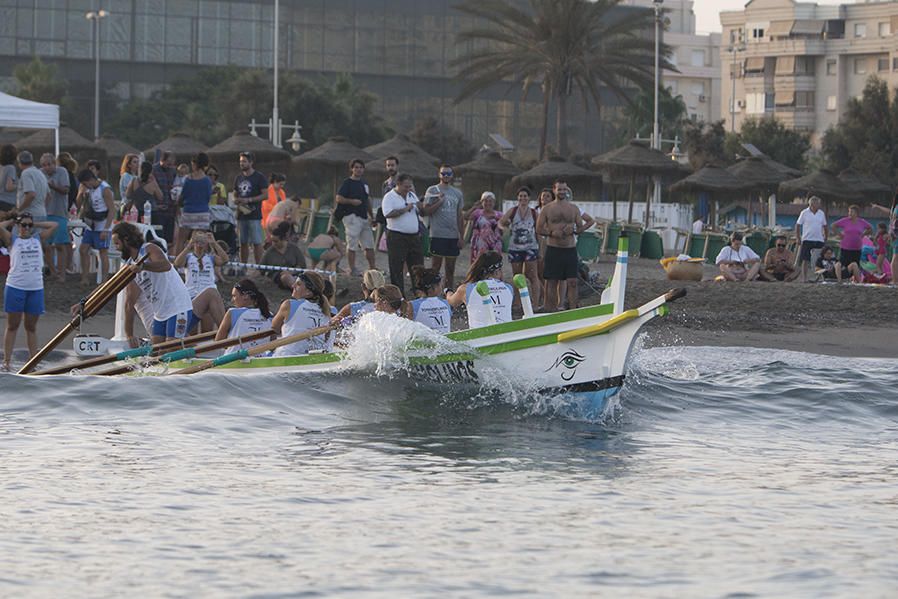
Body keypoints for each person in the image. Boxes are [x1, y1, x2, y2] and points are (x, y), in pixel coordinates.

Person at [115, 222, 197, 346]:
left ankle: (197, 352)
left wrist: (144, 266)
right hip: (160, 314)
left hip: (178, 306)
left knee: (169, 350)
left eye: (117, 243)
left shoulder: (149, 249)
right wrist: (129, 335)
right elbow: (128, 302)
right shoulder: (130, 265)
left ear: (126, 240)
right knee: (156, 354)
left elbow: (166, 265)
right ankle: (191, 346)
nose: (116, 248)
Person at [0, 213, 58, 370]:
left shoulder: (37, 239)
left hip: (35, 288)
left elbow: (54, 225)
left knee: (31, 327)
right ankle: (7, 361)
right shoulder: (13, 240)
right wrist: (13, 220)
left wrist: (35, 224)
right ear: (18, 226)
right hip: (15, 287)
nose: (26, 228)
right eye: (23, 225)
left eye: (28, 225)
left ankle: (33, 360)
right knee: (13, 325)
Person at [536, 180, 590, 311]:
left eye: (564, 189)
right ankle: (551, 310)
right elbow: (538, 228)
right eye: (559, 189)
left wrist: (576, 230)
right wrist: (552, 232)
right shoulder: (547, 209)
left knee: (572, 282)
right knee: (552, 282)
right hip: (553, 249)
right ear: (554, 190)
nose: (562, 192)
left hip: (569, 250)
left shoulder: (573, 208)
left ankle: (572, 310)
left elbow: (583, 225)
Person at [173, 229, 228, 333]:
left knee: (207, 331)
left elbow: (225, 260)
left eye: (202, 240)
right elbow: (177, 263)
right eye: (197, 239)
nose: (200, 243)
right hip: (191, 297)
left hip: (209, 296)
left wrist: (214, 243)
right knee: (192, 332)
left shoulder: (211, 258)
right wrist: (189, 245)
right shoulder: (188, 257)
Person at [420, 165, 464, 289]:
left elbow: (460, 216)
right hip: (438, 234)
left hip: (453, 235)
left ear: (452, 175)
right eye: (443, 173)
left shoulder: (457, 193)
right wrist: (439, 202)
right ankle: (432, 291)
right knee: (435, 267)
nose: (446, 176)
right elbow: (426, 210)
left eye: (448, 173)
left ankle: (448, 292)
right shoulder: (432, 190)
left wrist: (461, 236)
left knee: (450, 268)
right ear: (439, 174)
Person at [446, 250, 513, 329]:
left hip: (480, 336)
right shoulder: (509, 288)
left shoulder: (466, 288)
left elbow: (452, 302)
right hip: (506, 332)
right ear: (497, 271)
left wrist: (447, 292)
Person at [271, 271, 332, 356]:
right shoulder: (326, 310)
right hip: (314, 357)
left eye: (298, 284)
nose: (293, 286)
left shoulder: (289, 304)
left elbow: (274, 328)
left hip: (287, 356)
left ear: (308, 292)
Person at [382, 173, 423, 296]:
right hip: (397, 236)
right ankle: (399, 296)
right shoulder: (389, 197)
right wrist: (405, 209)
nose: (408, 189)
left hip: (414, 236)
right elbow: (387, 213)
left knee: (417, 266)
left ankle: (419, 292)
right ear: (398, 185)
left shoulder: (412, 195)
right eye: (406, 186)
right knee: (397, 267)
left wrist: (421, 204)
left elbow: (421, 211)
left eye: (410, 186)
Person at [499, 186, 541, 308]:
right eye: (521, 196)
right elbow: (501, 222)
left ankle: (536, 303)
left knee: (533, 275)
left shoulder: (533, 213)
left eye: (525, 196)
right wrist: (505, 229)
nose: (523, 198)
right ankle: (517, 303)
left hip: (530, 247)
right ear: (517, 198)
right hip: (515, 248)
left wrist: (540, 248)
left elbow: (538, 230)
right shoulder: (513, 211)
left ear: (529, 198)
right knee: (517, 276)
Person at [334, 159, 375, 276]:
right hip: (351, 216)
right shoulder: (347, 182)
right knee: (352, 244)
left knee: (369, 244)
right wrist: (351, 201)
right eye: (356, 167)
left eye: (361, 167)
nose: (358, 169)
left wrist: (372, 216)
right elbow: (338, 198)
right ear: (352, 169)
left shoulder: (364, 184)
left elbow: (367, 200)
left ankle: (373, 268)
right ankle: (352, 268)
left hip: (364, 217)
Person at [76, 169, 115, 286]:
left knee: (103, 252)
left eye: (85, 183)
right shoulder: (88, 190)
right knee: (83, 249)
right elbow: (79, 205)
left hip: (102, 225)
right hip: (91, 225)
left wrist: (106, 229)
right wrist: (81, 194)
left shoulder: (105, 189)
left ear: (91, 180)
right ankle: (85, 278)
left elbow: (112, 210)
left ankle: (104, 280)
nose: (85, 186)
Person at [215, 279, 274, 355]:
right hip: (259, 361)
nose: (232, 300)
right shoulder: (269, 315)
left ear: (245, 296)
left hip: (234, 360)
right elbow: (272, 346)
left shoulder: (232, 313)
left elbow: (218, 342)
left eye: (234, 296)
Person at [175, 152, 213, 254]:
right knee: (201, 242)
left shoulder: (188, 179)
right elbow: (208, 197)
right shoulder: (207, 180)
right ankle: (201, 263)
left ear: (194, 164)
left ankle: (178, 264)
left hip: (189, 212)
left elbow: (183, 196)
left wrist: (178, 203)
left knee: (181, 240)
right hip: (203, 213)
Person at [40, 153, 70, 282]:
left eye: (49, 164)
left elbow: (65, 190)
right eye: (44, 165)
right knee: (46, 245)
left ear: (54, 163)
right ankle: (53, 272)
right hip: (44, 213)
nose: (47, 167)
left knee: (60, 245)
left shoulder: (62, 171)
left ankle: (62, 273)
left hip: (59, 213)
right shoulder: (39, 173)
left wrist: (52, 186)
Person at [233, 151, 267, 265]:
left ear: (251, 162)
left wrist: (249, 200)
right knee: (243, 242)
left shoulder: (259, 177)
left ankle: (259, 267)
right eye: (240, 161)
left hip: (254, 214)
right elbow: (235, 192)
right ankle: (244, 266)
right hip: (241, 214)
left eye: (244, 161)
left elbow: (265, 195)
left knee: (257, 242)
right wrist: (236, 199)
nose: (242, 164)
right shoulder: (238, 178)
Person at [261, 221, 307, 289]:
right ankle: (298, 290)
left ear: (283, 239)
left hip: (295, 274)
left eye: (276, 241)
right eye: (272, 241)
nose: (273, 244)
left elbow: (302, 265)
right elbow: (260, 269)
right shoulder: (269, 252)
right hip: (279, 277)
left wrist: (292, 271)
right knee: (285, 277)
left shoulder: (294, 248)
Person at [794, 195, 827, 282]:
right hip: (807, 238)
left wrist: (825, 237)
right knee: (805, 259)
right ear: (812, 204)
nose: (819, 205)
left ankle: (819, 277)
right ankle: (804, 278)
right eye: (817, 203)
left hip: (819, 239)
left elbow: (825, 226)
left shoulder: (821, 213)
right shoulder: (804, 213)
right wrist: (798, 237)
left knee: (820, 259)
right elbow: (797, 225)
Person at [410, 266, 452, 333]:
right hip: (445, 340)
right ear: (434, 287)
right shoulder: (446, 303)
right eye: (440, 285)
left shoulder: (412, 305)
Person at [464, 191, 503, 263]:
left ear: (494, 202)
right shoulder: (477, 213)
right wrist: (474, 207)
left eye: (490, 201)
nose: (488, 203)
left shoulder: (499, 215)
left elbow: (506, 224)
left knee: (493, 266)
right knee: (479, 266)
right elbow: (466, 217)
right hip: (479, 245)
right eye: (485, 201)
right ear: (482, 202)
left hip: (494, 245)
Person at [830, 205, 871, 270]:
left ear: (856, 213)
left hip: (857, 248)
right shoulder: (845, 220)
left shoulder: (861, 222)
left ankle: (854, 278)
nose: (849, 213)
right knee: (843, 264)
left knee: (855, 264)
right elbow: (833, 226)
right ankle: (843, 277)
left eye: (851, 212)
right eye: (849, 212)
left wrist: (863, 234)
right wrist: (839, 234)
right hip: (845, 247)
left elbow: (870, 228)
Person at [152, 150, 178, 243]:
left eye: (172, 164)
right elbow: (149, 190)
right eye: (168, 163)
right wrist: (155, 205)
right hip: (158, 210)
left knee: (169, 240)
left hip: (171, 210)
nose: (170, 166)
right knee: (158, 238)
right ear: (162, 160)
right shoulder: (153, 170)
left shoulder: (173, 171)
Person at [16, 151, 49, 223]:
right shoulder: (40, 173)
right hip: (42, 213)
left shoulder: (26, 173)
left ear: (20, 162)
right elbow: (49, 196)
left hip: (29, 215)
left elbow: (31, 194)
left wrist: (19, 209)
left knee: (18, 234)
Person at [0, 144, 18, 213]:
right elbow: (9, 187)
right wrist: (19, 185)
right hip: (7, 202)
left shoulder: (1, 167)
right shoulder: (11, 168)